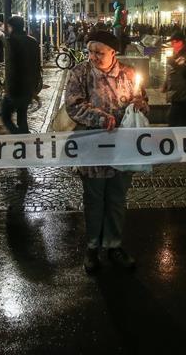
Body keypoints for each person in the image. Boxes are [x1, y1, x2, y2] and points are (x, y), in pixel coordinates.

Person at [64, 30, 148, 274]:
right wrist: (99, 118)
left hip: (123, 149)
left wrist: (142, 105)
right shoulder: (80, 73)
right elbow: (74, 105)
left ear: (113, 52)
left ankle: (113, 244)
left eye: (99, 52)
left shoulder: (129, 73)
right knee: (94, 199)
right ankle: (92, 246)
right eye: (90, 51)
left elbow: (141, 102)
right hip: (93, 148)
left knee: (116, 199)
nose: (93, 56)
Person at [2, 15, 42, 134]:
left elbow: (11, 68)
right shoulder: (33, 41)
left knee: (5, 117)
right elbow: (37, 65)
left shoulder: (11, 42)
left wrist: (8, 88)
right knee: (22, 117)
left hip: (15, 88)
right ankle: (25, 140)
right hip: (28, 87)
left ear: (12, 27)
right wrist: (34, 86)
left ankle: (19, 137)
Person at [162, 30, 186, 127]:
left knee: (173, 119)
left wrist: (174, 63)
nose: (172, 45)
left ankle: (174, 139)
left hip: (181, 93)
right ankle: (185, 139)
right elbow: (172, 73)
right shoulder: (177, 54)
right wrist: (166, 84)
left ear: (181, 42)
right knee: (183, 119)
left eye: (174, 42)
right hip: (177, 93)